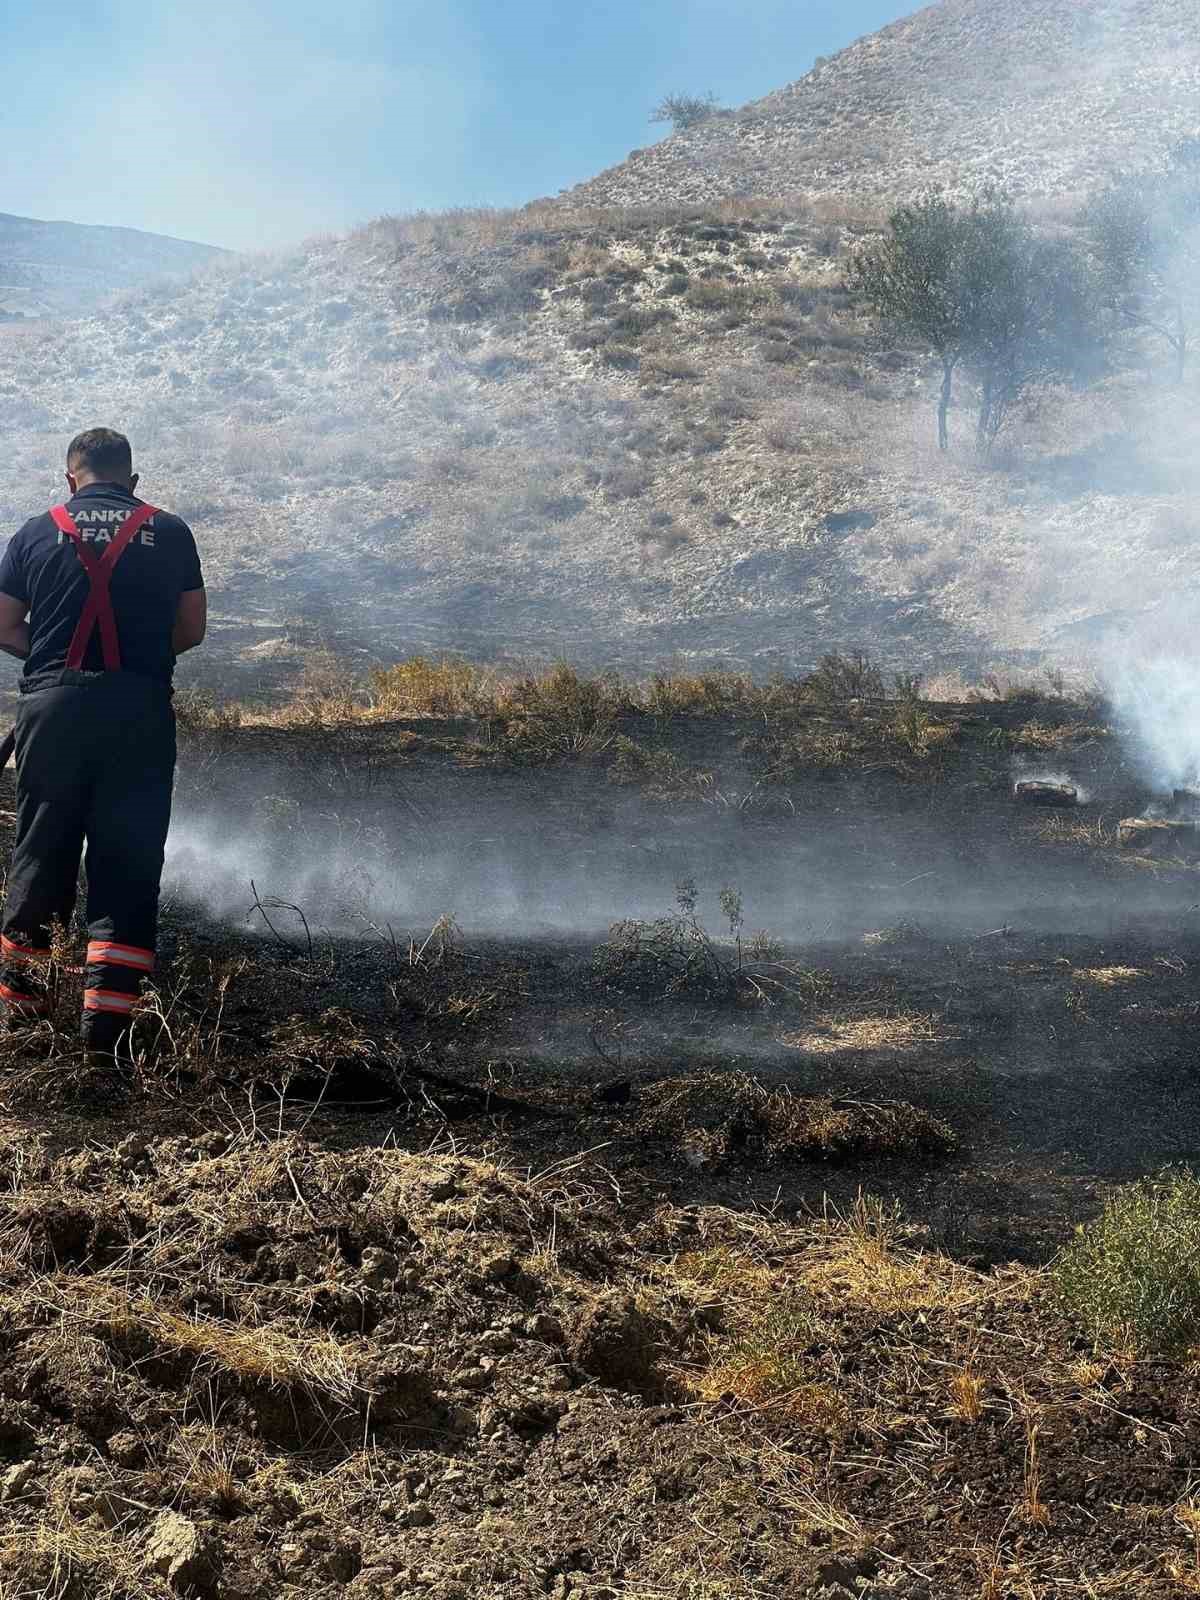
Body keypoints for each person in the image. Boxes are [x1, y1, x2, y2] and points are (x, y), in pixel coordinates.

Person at [0, 428, 205, 1062]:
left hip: (51, 712)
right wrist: (133, 668)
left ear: (71, 479)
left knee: (40, 853)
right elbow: (192, 629)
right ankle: (106, 1039)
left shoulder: (35, 531)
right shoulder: (169, 532)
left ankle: (23, 1020)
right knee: (128, 862)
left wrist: (61, 666)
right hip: (138, 714)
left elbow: (4, 626)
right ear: (133, 481)